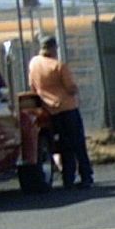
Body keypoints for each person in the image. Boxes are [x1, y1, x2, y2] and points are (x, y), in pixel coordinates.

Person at [27, 34, 95, 188]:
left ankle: (68, 178)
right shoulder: (59, 66)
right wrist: (75, 89)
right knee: (78, 144)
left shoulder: (34, 64)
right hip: (67, 108)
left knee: (64, 146)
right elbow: (70, 88)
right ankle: (86, 175)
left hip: (50, 110)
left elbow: (32, 86)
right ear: (53, 48)